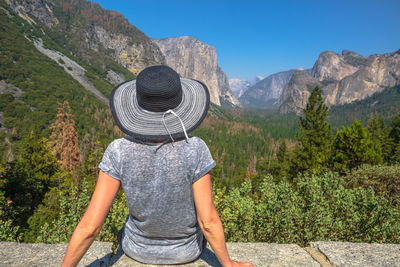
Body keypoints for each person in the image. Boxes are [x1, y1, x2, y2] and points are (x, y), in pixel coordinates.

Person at [61, 65, 254, 267]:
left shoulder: (118, 150)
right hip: (186, 253)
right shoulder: (195, 148)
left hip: (135, 251)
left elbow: (90, 226)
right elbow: (208, 222)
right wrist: (229, 265)